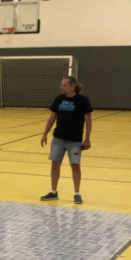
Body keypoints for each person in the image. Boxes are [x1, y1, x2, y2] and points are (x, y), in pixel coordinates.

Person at [40, 76, 92, 204]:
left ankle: (77, 193)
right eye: (61, 85)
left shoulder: (83, 101)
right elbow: (52, 117)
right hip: (58, 138)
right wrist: (45, 133)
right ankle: (53, 191)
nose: (62, 87)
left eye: (64, 85)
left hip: (74, 140)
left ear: (72, 87)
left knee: (75, 165)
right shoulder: (59, 99)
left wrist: (87, 139)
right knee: (55, 163)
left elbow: (88, 121)